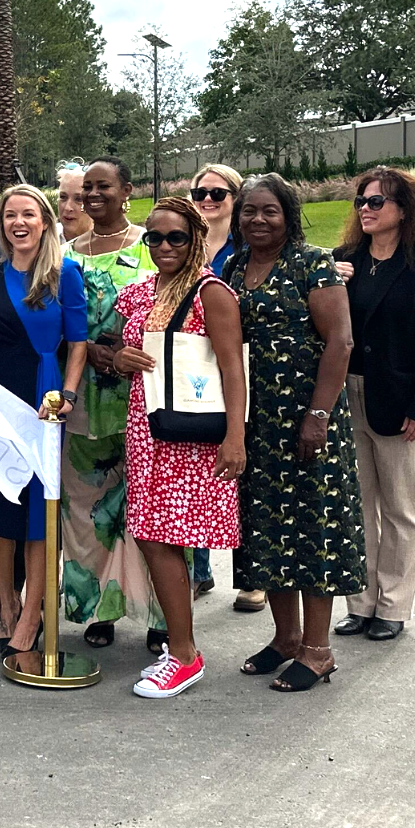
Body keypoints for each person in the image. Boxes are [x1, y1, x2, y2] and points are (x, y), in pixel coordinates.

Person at [227, 173, 364, 692]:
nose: (257, 220)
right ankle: (285, 638)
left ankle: (318, 648)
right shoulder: (238, 267)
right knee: (266, 530)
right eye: (249, 212)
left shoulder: (313, 264)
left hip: (310, 419)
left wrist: (318, 415)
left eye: (269, 211)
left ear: (289, 216)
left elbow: (341, 343)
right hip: (257, 423)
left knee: (314, 529)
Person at [109, 198, 247, 698]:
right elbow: (110, 344)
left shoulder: (213, 294)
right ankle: (181, 649)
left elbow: (233, 368)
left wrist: (236, 437)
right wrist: (116, 357)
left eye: (176, 238)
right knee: (151, 534)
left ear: (196, 239)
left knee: (163, 537)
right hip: (147, 430)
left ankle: (185, 654)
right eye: (155, 238)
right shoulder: (140, 292)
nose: (164, 247)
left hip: (192, 436)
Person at [0, 186, 87, 670]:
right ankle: (6, 603)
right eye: (10, 215)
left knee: (38, 511)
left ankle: (32, 614)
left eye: (28, 214)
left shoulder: (64, 274)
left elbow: (78, 343)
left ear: (45, 220)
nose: (18, 222)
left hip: (41, 396)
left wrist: (67, 394)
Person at [331, 167, 415, 642]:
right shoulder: (345, 261)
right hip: (347, 397)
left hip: (400, 401)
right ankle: (360, 603)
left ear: (404, 209)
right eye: (361, 201)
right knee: (357, 505)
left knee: (401, 509)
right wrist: (330, 283)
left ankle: (394, 605)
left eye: (376, 202)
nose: (365, 208)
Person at [60, 156, 165, 652]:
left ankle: (162, 614)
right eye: (86, 190)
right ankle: (99, 609)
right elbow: (52, 325)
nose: (92, 196)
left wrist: (130, 348)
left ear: (127, 191)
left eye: (103, 187)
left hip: (149, 397)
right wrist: (97, 352)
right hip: (86, 399)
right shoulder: (65, 255)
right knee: (87, 507)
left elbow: (181, 306)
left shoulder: (156, 245)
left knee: (154, 508)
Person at [186, 162, 245, 604]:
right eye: (199, 191)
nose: (207, 199)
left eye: (218, 193)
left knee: (243, 470)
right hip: (190, 371)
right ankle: (199, 568)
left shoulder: (247, 250)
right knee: (199, 466)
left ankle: (254, 578)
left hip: (239, 365)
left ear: (235, 199)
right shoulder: (180, 243)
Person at [54, 160, 90, 242]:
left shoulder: (109, 245)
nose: (67, 207)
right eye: (63, 197)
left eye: (78, 199)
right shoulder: (42, 239)